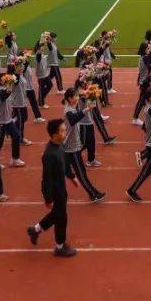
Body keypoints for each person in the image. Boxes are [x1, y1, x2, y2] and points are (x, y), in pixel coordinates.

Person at [27, 118, 78, 257]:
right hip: (56, 191)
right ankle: (60, 246)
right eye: (62, 131)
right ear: (54, 135)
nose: (65, 133)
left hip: (62, 188)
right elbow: (46, 178)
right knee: (61, 217)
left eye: (65, 130)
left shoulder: (60, 146)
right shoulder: (49, 154)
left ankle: (36, 230)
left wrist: (71, 176)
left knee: (58, 215)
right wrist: (48, 198)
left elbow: (65, 164)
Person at [62, 88, 106, 203]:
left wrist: (89, 96)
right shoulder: (68, 110)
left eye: (77, 96)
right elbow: (73, 120)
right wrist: (86, 109)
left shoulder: (72, 107)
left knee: (66, 171)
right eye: (75, 96)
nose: (77, 98)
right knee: (81, 173)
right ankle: (93, 194)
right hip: (71, 148)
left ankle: (53, 190)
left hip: (70, 146)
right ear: (70, 99)